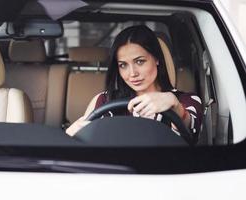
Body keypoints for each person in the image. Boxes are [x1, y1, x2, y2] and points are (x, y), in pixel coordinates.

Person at [66, 25, 202, 142]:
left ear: (156, 59)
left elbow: (191, 130)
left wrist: (176, 106)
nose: (132, 73)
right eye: (123, 65)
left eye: (140, 61)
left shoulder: (186, 100)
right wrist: (70, 137)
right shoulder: (104, 100)